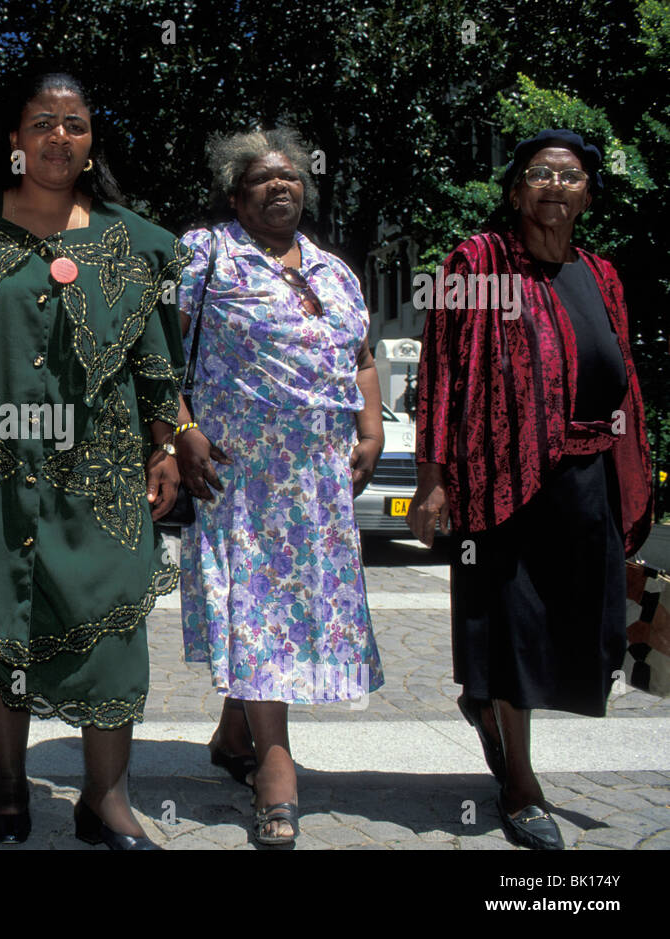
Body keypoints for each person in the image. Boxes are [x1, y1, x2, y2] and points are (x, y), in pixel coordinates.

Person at [0, 71, 186, 850]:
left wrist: (164, 443)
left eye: (75, 123)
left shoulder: (137, 244)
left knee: (111, 629)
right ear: (15, 140)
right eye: (42, 123)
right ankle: (6, 777)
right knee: (3, 629)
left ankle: (107, 797)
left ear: (92, 140)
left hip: (98, 478)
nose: (59, 137)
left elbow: (158, 362)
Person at [408, 129, 652, 851]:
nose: (554, 185)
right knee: (512, 629)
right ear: (514, 191)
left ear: (587, 194)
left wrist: (635, 467)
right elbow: (442, 371)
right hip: (500, 480)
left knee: (588, 629)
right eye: (538, 174)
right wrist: (433, 477)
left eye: (569, 176)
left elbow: (624, 370)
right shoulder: (476, 261)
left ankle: (485, 708)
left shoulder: (602, 273)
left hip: (587, 477)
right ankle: (521, 785)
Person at [175, 127, 385, 846]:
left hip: (317, 486)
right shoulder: (206, 255)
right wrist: (181, 428)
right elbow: (154, 349)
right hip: (239, 475)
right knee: (261, 609)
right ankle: (275, 766)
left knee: (282, 613)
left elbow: (360, 357)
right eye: (261, 178)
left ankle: (236, 734)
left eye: (290, 176)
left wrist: (372, 430)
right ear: (237, 194)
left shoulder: (335, 271)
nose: (279, 186)